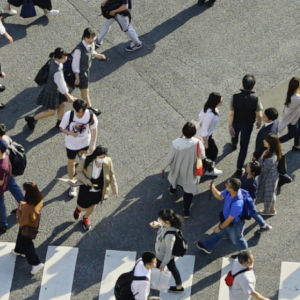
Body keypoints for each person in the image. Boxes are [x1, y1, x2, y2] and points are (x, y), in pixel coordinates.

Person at [161, 122, 205, 218]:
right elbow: (202, 156)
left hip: (177, 168)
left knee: (175, 179)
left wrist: (163, 167)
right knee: (188, 190)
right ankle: (186, 211)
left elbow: (169, 157)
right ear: (194, 133)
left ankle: (172, 190)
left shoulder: (176, 143)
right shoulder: (197, 142)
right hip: (190, 170)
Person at [25, 48, 75, 130]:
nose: (65, 58)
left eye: (65, 56)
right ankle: (31, 119)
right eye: (63, 57)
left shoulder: (53, 61)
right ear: (57, 58)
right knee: (51, 111)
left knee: (62, 105)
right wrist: (69, 96)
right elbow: (61, 86)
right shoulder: (57, 71)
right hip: (53, 91)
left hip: (50, 88)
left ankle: (60, 122)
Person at [195, 178, 248, 254]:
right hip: (226, 220)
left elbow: (230, 219)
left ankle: (246, 256)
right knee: (218, 233)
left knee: (238, 240)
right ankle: (208, 247)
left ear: (232, 188)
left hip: (234, 224)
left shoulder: (238, 203)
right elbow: (220, 196)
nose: (225, 185)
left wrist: (220, 227)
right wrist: (213, 188)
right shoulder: (229, 191)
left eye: (227, 185)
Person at [60, 99, 98, 198]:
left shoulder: (90, 115)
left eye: (83, 112)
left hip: (85, 142)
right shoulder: (69, 115)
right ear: (74, 110)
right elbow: (62, 128)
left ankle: (83, 177)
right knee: (71, 162)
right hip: (71, 144)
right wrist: (70, 133)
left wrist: (93, 145)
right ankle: (73, 185)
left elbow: (94, 129)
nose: (80, 114)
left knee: (82, 159)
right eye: (78, 112)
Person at [74, 146, 118, 230]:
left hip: (99, 189)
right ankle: (79, 209)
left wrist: (115, 189)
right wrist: (85, 180)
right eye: (100, 157)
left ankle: (86, 217)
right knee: (82, 205)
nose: (103, 159)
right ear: (95, 156)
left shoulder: (108, 161)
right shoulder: (86, 160)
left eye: (104, 157)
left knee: (93, 205)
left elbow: (112, 175)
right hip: (86, 186)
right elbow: (78, 171)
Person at [228, 74, 263, 177]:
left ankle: (234, 143)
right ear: (253, 86)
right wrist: (259, 122)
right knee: (244, 146)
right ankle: (239, 168)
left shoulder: (235, 97)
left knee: (234, 133)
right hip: (248, 124)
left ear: (242, 84)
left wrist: (230, 126)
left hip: (236, 122)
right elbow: (259, 113)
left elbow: (231, 113)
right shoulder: (255, 99)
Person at [71, 28, 106, 116]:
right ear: (83, 37)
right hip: (80, 73)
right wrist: (77, 77)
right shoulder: (79, 49)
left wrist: (98, 55)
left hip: (85, 70)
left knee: (81, 89)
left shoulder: (91, 44)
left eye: (92, 38)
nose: (91, 40)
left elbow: (92, 52)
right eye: (88, 38)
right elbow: (75, 65)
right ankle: (89, 108)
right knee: (85, 91)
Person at [12, 182, 44, 275]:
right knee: (21, 236)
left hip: (27, 226)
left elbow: (23, 221)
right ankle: (18, 250)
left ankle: (36, 263)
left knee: (27, 244)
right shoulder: (39, 199)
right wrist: (24, 205)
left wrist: (19, 212)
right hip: (34, 224)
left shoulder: (27, 208)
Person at [149, 209, 184, 294]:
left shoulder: (170, 236)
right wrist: (158, 225)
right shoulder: (167, 226)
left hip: (163, 257)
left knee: (158, 269)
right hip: (162, 255)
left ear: (167, 221)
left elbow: (169, 252)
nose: (159, 219)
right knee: (173, 268)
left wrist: (163, 264)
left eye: (160, 219)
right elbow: (163, 228)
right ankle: (179, 286)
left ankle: (153, 283)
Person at [241, 161, 272, 234]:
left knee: (245, 214)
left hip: (245, 201)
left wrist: (250, 205)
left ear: (253, 173)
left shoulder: (252, 184)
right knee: (253, 213)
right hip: (241, 198)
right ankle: (264, 225)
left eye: (248, 167)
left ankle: (234, 232)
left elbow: (253, 196)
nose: (246, 167)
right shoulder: (247, 174)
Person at [0, 139, 24, 232]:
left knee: (1, 204)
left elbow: (0, 182)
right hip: (7, 177)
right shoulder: (5, 156)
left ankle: (3, 223)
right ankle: (24, 204)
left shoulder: (1, 167)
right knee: (13, 186)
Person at [0, 123, 24, 214]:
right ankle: (23, 204)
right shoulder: (5, 138)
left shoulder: (2, 144)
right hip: (8, 169)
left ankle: (23, 205)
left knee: (11, 185)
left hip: (6, 170)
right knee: (13, 186)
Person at [197, 92, 223, 176]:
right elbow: (204, 130)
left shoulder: (208, 108)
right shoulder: (210, 114)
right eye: (220, 100)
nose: (222, 101)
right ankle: (209, 170)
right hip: (205, 136)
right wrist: (206, 143)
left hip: (204, 134)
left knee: (205, 153)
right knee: (213, 151)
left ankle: (205, 167)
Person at [257, 133, 281, 216]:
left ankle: (268, 211)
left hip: (269, 177)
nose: (264, 141)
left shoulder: (270, 158)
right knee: (271, 193)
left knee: (268, 194)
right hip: (273, 175)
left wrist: (261, 157)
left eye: (266, 140)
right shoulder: (273, 151)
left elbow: (262, 169)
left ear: (270, 143)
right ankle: (272, 209)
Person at [278, 77, 300, 151]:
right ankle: (274, 142)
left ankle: (297, 145)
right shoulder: (296, 98)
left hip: (293, 116)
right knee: (291, 134)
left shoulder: (291, 93)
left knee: (298, 129)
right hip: (292, 119)